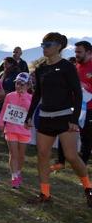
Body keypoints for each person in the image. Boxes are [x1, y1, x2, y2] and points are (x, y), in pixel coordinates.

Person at [25, 33, 92, 207]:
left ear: (58, 47)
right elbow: (37, 95)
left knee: (71, 156)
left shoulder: (67, 67)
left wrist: (74, 118)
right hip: (45, 118)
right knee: (42, 155)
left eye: (48, 44)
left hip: (65, 118)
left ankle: (88, 188)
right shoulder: (41, 69)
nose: (44, 47)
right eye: (43, 44)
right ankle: (45, 194)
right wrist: (29, 115)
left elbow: (77, 94)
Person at [0, 72, 31, 189]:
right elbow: (4, 110)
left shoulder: (31, 98)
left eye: (22, 84)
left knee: (21, 155)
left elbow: (30, 110)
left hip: (24, 130)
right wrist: (1, 122)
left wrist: (23, 97)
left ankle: (18, 172)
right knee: (13, 153)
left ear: (28, 86)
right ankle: (14, 176)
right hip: (11, 128)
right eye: (17, 83)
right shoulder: (9, 96)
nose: (19, 86)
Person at [75, 40, 92, 165]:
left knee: (87, 137)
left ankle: (83, 162)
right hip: (79, 107)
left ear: (89, 52)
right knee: (83, 135)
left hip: (90, 108)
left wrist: (86, 86)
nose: (77, 54)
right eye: (76, 52)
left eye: (79, 52)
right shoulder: (78, 65)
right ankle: (81, 161)